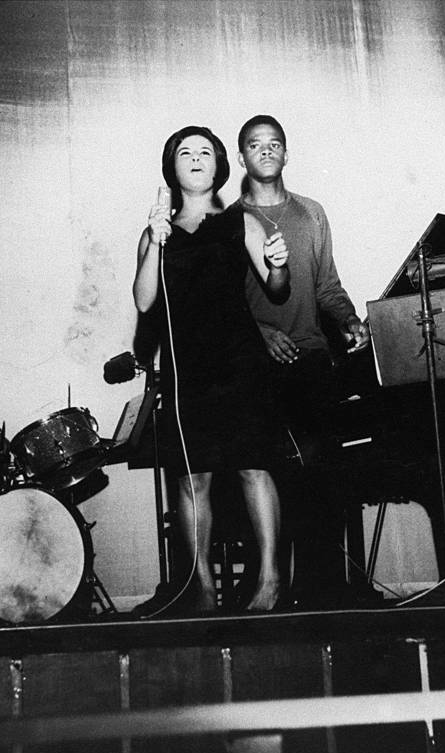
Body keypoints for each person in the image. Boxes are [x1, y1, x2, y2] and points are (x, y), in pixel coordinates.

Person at [133, 125, 289, 613]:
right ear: (172, 166)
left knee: (253, 467)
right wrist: (157, 241)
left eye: (206, 152)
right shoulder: (155, 230)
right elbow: (144, 301)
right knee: (191, 479)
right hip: (188, 367)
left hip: (240, 361)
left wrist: (279, 263)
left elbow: (277, 287)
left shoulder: (240, 221)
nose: (197, 158)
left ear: (220, 165)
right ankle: (200, 587)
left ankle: (269, 581)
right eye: (186, 152)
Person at [229, 115, 371, 608]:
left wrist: (349, 319)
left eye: (274, 144)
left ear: (286, 154)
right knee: (272, 477)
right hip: (256, 368)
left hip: (311, 358)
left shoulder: (312, 213)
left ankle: (324, 591)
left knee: (323, 471)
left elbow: (327, 285)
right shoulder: (229, 223)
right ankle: (274, 588)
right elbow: (221, 306)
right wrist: (260, 334)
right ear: (242, 156)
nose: (265, 151)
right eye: (254, 144)